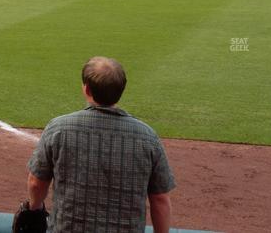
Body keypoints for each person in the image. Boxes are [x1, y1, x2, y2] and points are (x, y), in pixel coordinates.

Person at [26, 57, 175, 233]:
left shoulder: (58, 128)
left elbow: (36, 183)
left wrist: (34, 209)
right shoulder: (148, 137)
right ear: (122, 89)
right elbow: (160, 200)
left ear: (87, 89)